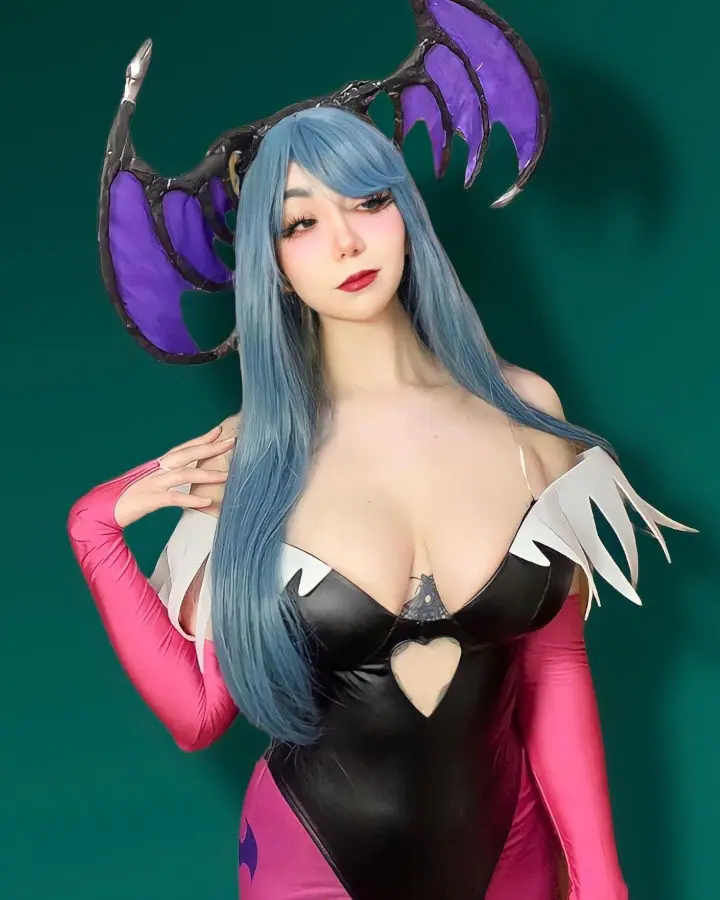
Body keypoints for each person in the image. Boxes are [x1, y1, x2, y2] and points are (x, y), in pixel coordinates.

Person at [67, 4, 695, 897]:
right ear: (271, 264)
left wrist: (600, 878)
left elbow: (554, 665)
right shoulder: (253, 459)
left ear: (408, 213)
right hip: (310, 864)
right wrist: (95, 527)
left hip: (510, 853)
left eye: (369, 202)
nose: (348, 242)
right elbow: (199, 713)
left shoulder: (525, 413)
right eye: (300, 224)